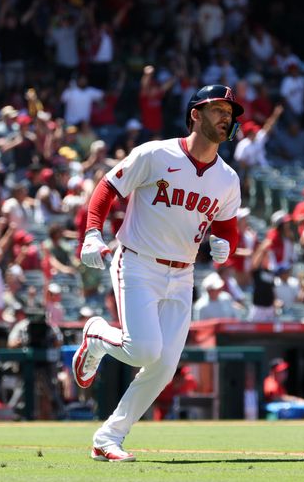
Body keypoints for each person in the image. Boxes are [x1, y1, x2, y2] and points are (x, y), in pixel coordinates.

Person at [73, 84, 243, 462]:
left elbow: (228, 226)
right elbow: (107, 187)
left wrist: (225, 244)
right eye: (217, 108)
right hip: (137, 262)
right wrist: (91, 233)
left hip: (183, 275)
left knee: (164, 366)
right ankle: (97, 336)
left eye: (230, 112)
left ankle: (108, 437)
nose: (226, 116)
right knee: (143, 350)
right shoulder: (155, 153)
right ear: (195, 115)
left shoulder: (228, 178)